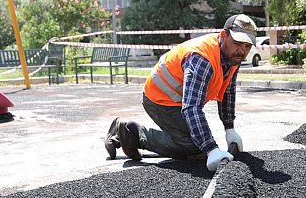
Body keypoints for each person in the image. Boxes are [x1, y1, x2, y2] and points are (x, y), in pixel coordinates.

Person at [104, 14, 257, 172]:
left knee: (199, 143)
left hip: (179, 100)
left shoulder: (232, 57)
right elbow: (191, 108)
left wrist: (229, 128)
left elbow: (227, 92)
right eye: (238, 43)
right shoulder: (202, 59)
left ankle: (128, 133)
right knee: (193, 147)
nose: (242, 51)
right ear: (224, 35)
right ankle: (132, 133)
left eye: (247, 46)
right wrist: (211, 148)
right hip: (160, 98)